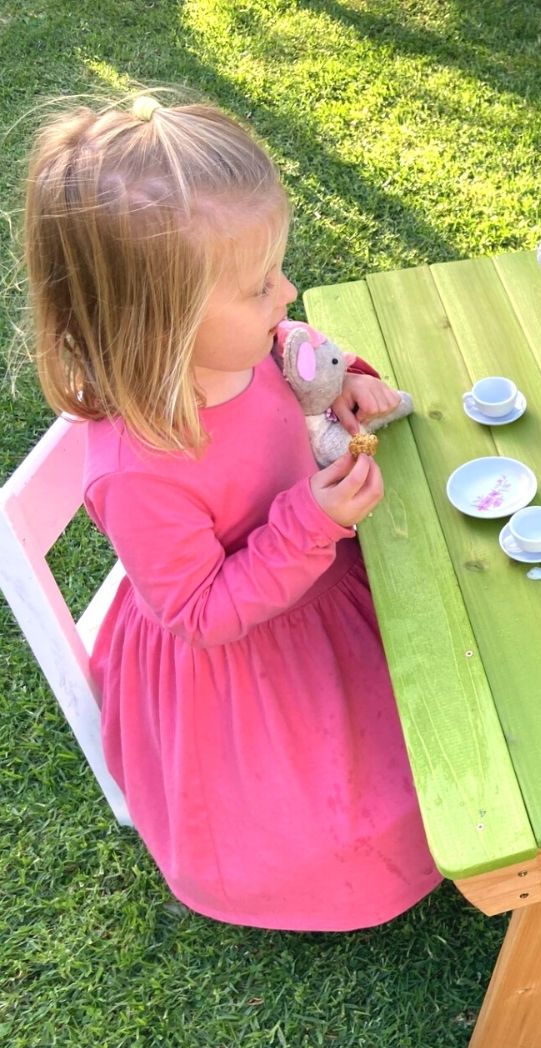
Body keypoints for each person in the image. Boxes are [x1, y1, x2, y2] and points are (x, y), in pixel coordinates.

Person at [23, 93, 440, 929]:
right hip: (241, 666)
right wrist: (311, 524)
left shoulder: (237, 347)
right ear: (161, 326)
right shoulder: (139, 470)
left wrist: (345, 372)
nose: (286, 291)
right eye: (259, 286)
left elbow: (295, 347)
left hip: (316, 584)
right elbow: (200, 612)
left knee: (459, 683)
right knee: (376, 804)